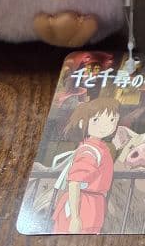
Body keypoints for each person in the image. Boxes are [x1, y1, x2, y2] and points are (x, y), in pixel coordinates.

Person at [52, 96, 122, 234]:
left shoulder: (99, 147)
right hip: (82, 204)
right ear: (82, 123)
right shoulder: (89, 151)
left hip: (93, 204)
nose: (105, 125)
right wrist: (75, 218)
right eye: (96, 120)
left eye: (111, 120)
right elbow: (74, 183)